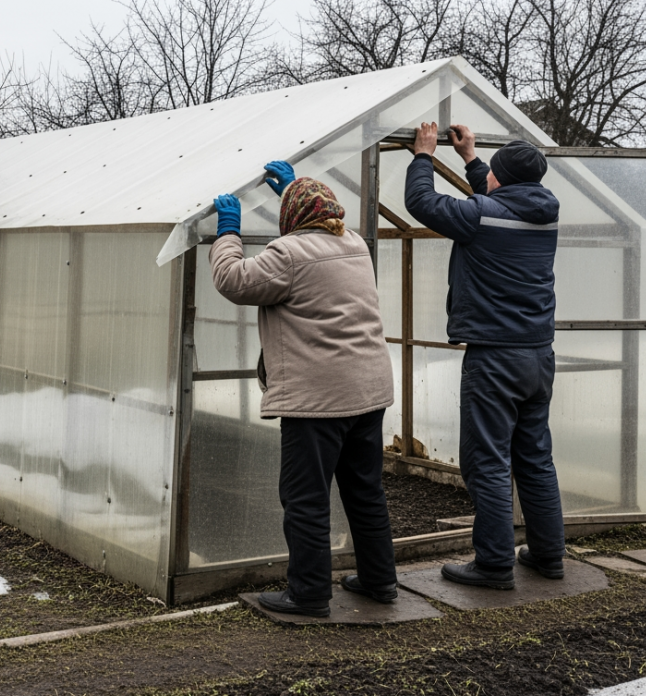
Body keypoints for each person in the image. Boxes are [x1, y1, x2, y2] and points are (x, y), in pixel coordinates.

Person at [210, 161, 397, 617]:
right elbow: (311, 229)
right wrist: (293, 187)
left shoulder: (288, 254)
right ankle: (379, 582)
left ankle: (309, 594)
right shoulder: (354, 245)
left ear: (292, 216)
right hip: (368, 394)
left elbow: (232, 280)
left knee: (306, 500)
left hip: (318, 401)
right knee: (365, 492)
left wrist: (228, 233)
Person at [403, 123, 565, 590]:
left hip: (495, 359)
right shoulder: (544, 213)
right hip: (537, 356)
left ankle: (493, 565)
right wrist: (472, 158)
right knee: (534, 459)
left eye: (491, 172)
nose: (486, 178)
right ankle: (548, 556)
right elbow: (493, 203)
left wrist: (423, 156)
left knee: (487, 462)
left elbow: (423, 203)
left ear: (504, 180)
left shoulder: (483, 216)